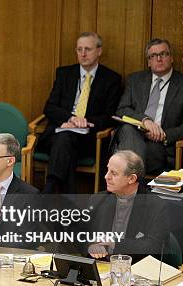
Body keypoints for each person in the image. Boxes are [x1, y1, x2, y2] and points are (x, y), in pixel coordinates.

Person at [39, 32, 122, 193]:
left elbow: (110, 115)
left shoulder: (111, 79)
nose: (83, 54)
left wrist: (85, 121)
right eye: (79, 49)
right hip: (58, 133)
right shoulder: (64, 74)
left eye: (88, 49)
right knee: (65, 140)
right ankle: (66, 203)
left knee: (65, 144)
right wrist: (70, 119)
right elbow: (50, 107)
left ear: (99, 51)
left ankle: (50, 189)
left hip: (89, 138)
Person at [115, 38, 183, 175]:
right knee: (128, 130)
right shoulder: (135, 80)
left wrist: (162, 135)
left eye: (163, 54)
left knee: (123, 161)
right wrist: (145, 121)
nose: (158, 59)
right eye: (153, 56)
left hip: (159, 146)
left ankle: (126, 190)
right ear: (148, 61)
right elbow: (121, 110)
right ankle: (134, 190)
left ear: (171, 58)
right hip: (133, 135)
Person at [87, 150, 168, 261]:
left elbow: (154, 248)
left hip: (136, 270)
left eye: (113, 173)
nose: (106, 176)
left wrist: (115, 243)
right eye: (107, 170)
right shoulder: (98, 200)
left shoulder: (156, 206)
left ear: (131, 179)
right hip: (102, 268)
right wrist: (91, 245)